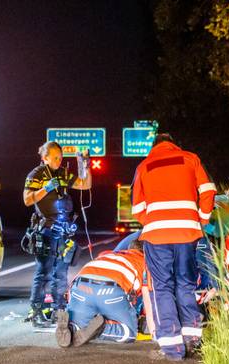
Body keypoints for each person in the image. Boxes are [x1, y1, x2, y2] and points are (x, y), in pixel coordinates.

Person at [131, 133, 216, 361]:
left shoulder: (144, 166)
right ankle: (192, 339)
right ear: (173, 143)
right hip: (187, 232)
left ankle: (173, 348)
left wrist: (152, 222)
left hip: (157, 236)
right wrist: (202, 219)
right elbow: (208, 191)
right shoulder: (190, 158)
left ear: (154, 146)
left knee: (162, 287)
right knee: (185, 283)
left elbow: (137, 207)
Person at [23, 142, 91, 327]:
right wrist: (46, 189)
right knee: (44, 271)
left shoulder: (63, 173)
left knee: (61, 272)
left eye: (60, 157)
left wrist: (84, 164)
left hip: (64, 231)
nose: (59, 160)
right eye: (55, 158)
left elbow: (85, 185)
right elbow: (27, 200)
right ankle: (35, 308)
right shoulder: (36, 174)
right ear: (44, 158)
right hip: (45, 230)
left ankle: (58, 308)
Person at [55, 240, 148, 347]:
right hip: (111, 290)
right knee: (129, 333)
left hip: (80, 286)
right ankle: (101, 330)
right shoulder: (145, 261)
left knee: (81, 322)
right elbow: (148, 297)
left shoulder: (109, 254)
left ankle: (72, 327)